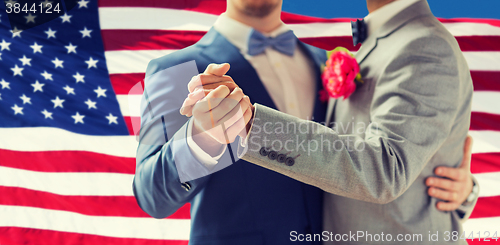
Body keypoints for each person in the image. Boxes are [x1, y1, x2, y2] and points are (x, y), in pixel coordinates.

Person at [135, 0, 477, 244]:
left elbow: (371, 154)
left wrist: (456, 185)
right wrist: (200, 140)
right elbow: (151, 195)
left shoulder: (325, 62)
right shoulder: (174, 70)